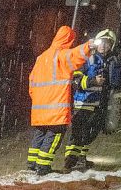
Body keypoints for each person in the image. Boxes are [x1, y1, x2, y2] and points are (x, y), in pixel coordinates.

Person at [26, 26, 93, 176]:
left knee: (40, 134)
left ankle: (32, 163)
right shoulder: (61, 56)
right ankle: (43, 166)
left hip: (39, 107)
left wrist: (37, 99)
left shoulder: (41, 57)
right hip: (56, 108)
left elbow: (31, 82)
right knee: (53, 136)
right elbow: (77, 55)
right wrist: (89, 45)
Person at [64, 29, 121, 171]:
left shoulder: (111, 61)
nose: (104, 46)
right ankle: (70, 161)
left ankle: (81, 158)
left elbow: (113, 84)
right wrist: (92, 81)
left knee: (91, 133)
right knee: (78, 134)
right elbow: (75, 80)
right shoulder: (86, 57)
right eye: (102, 42)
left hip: (99, 104)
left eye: (107, 43)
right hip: (84, 103)